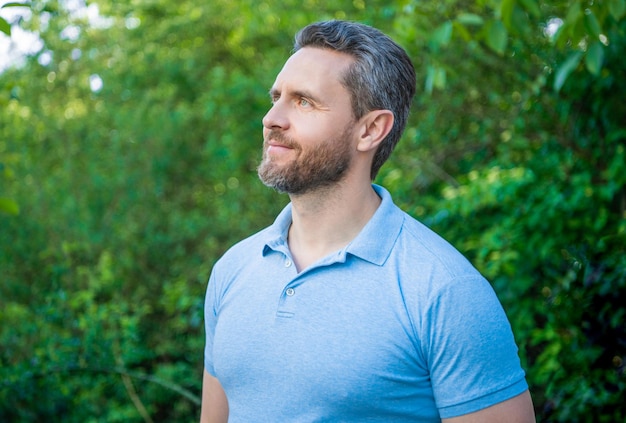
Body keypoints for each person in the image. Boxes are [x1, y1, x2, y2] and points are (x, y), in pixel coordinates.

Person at [200, 20, 535, 423]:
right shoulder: (233, 269)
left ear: (371, 129)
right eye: (277, 97)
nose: (272, 118)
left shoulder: (445, 291)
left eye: (304, 101)